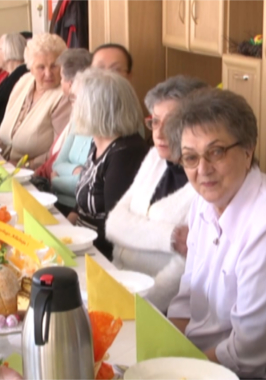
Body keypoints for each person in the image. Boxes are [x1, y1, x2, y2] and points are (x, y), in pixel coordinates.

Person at [164, 88, 266, 378]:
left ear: (248, 150)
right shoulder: (204, 203)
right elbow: (187, 297)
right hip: (201, 360)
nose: (203, 169)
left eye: (215, 152)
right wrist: (163, 355)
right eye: (190, 158)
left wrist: (181, 372)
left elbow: (251, 350)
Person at [107, 76, 208, 312]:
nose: (159, 133)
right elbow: (113, 223)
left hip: (156, 307)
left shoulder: (206, 180)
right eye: (154, 121)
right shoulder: (155, 158)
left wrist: (137, 308)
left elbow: (183, 270)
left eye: (171, 123)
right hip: (116, 280)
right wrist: (170, 237)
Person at [70, 68, 149, 260]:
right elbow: (82, 204)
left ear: (96, 109)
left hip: (101, 256)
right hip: (81, 243)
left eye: (74, 101)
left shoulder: (125, 153)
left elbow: (116, 229)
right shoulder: (98, 141)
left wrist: (72, 242)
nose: (71, 106)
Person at [0, 33, 71, 167]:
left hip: (33, 173)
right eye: (41, 67)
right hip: (3, 164)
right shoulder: (24, 81)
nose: (48, 73)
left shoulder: (64, 96)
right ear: (31, 68)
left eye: (54, 66)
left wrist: (26, 165)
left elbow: (59, 150)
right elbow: (4, 129)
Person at [40, 48, 92, 214]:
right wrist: (76, 170)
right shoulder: (78, 119)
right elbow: (58, 163)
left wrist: (56, 180)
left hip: (80, 209)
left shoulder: (104, 129)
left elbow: (88, 183)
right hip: (59, 200)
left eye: (61, 77)